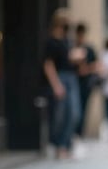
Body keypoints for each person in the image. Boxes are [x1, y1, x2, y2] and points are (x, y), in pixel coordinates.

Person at [42, 9, 81, 159]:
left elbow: (69, 59)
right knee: (60, 114)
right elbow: (48, 65)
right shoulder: (51, 42)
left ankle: (65, 144)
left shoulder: (67, 41)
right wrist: (56, 85)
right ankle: (58, 145)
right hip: (60, 78)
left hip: (71, 77)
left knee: (74, 113)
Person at [73, 22, 99, 138]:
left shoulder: (89, 49)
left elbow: (96, 65)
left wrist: (87, 69)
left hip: (86, 83)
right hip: (74, 82)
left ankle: (79, 133)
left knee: (83, 109)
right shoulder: (72, 47)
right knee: (74, 109)